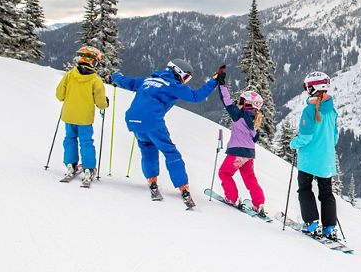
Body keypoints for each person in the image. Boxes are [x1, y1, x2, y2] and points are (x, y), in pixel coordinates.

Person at [109, 59, 221, 208]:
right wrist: (214, 81)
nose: (185, 81)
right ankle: (183, 187)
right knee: (171, 153)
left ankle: (152, 181)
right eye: (186, 77)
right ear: (178, 72)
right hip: (152, 121)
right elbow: (196, 96)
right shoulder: (172, 86)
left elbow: (127, 81)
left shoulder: (148, 80)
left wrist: (113, 76)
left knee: (147, 148)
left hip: (132, 120)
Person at [290, 71, 339, 237]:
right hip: (326, 161)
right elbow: (334, 138)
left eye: (307, 87)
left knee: (305, 189)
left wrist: (293, 143)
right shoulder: (332, 112)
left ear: (312, 89)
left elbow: (305, 138)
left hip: (309, 161)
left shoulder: (309, 111)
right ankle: (329, 227)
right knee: (326, 193)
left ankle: (311, 223)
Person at [215, 70, 267, 215]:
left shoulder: (239, 115)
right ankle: (259, 203)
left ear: (247, 103)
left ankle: (232, 198)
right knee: (250, 178)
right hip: (249, 154)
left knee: (224, 173)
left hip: (237, 152)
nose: (239, 103)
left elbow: (227, 102)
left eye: (242, 100)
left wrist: (221, 84)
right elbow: (255, 138)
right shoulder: (255, 120)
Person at [55, 46, 109, 185]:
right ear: (94, 62)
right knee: (86, 142)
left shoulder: (69, 75)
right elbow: (101, 102)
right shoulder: (95, 80)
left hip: (69, 115)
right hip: (85, 118)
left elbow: (59, 95)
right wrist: (105, 104)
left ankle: (70, 165)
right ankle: (88, 169)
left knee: (70, 139)